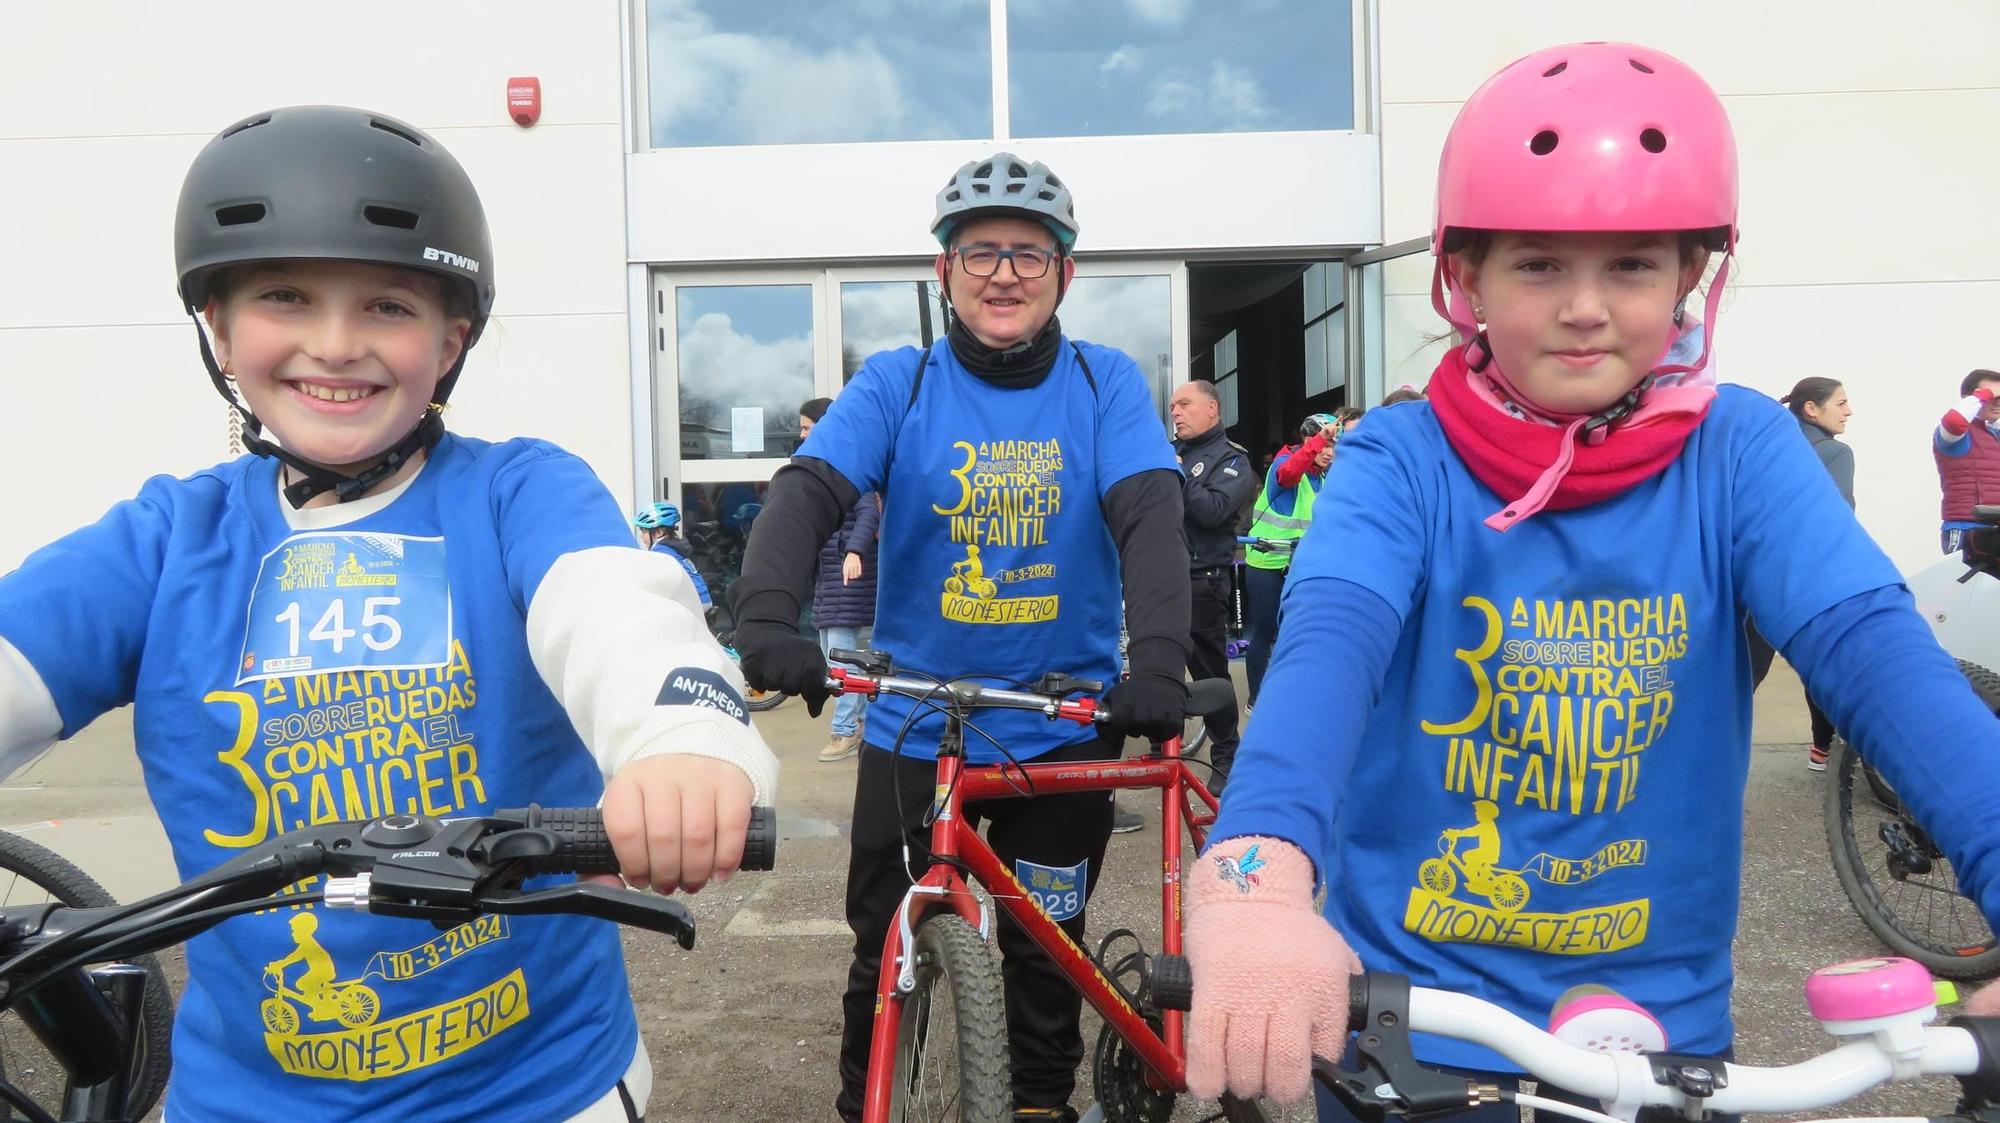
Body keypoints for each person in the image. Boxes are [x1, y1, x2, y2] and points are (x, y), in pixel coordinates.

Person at [1180, 42, 2000, 1115]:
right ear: (1464, 277)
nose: (1583, 306)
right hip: (1410, 1024)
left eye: (1628, 264)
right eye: (1535, 263)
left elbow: (1880, 659)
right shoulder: (1400, 460)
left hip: (1658, 1038)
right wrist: (1255, 874)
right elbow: (1325, 653)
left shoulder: (1742, 450)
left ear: (1687, 277)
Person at [0, 106, 776, 1121]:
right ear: (219, 329)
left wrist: (681, 742)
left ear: (450, 340)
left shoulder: (515, 494)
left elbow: (620, 614)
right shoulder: (164, 541)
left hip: (534, 1090)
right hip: (244, 1100)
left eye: (387, 307)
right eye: (286, 295)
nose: (336, 342)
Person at [729, 151, 1189, 1123]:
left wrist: (1154, 657)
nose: (1004, 272)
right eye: (979, 251)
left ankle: (1036, 1104)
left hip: (1061, 717)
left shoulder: (1102, 382)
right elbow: (808, 491)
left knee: (1045, 938)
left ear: (1063, 273)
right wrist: (767, 616)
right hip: (912, 722)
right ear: (944, 274)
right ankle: (871, 1104)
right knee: (884, 940)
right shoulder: (898, 381)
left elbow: (1147, 513)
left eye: (1030, 253)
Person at [1746, 378, 1854, 768]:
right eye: (1841, 403)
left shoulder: (1768, 447)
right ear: (1812, 408)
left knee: (1743, 672)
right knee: (1821, 666)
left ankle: (1701, 750)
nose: (1848, 411)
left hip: (1748, 574)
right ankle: (1822, 749)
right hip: (1802, 581)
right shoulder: (1835, 453)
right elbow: (1834, 520)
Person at [1169, 379, 1257, 787]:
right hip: (1161, 579)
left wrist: (1181, 474)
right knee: (1160, 666)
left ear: (1212, 409)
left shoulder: (1232, 460)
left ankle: (1226, 751)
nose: (1176, 412)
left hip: (1203, 580)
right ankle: (1164, 747)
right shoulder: (1174, 456)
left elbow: (1213, 511)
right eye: (1172, 407)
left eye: (1185, 404)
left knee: (1209, 671)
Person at [798, 397, 882, 763]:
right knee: (841, 664)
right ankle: (861, 725)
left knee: (844, 667)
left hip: (850, 584)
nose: (801, 434)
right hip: (830, 586)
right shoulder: (819, 470)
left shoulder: (849, 468)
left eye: (806, 427)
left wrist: (854, 552)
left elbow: (867, 512)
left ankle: (844, 733)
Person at [1240, 411, 1342, 707]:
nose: (1328, 452)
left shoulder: (1324, 477)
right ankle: (1256, 700)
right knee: (1266, 631)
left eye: (1333, 446)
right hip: (1266, 562)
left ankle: (1296, 694)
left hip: (1301, 564)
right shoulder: (1284, 463)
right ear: (1308, 441)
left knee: (1302, 630)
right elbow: (1290, 474)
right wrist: (1318, 442)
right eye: (1324, 444)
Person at [1934, 368, 2000, 554]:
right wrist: (1982, 395)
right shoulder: (1958, 436)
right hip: (1966, 529)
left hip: (1996, 530)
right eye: (1989, 397)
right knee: (1963, 583)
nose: (1996, 403)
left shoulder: (1995, 434)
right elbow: (1954, 421)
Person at [634, 500, 712, 606]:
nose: (641, 536)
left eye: (644, 532)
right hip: (702, 599)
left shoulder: (660, 553)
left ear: (659, 532)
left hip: (693, 603)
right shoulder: (673, 547)